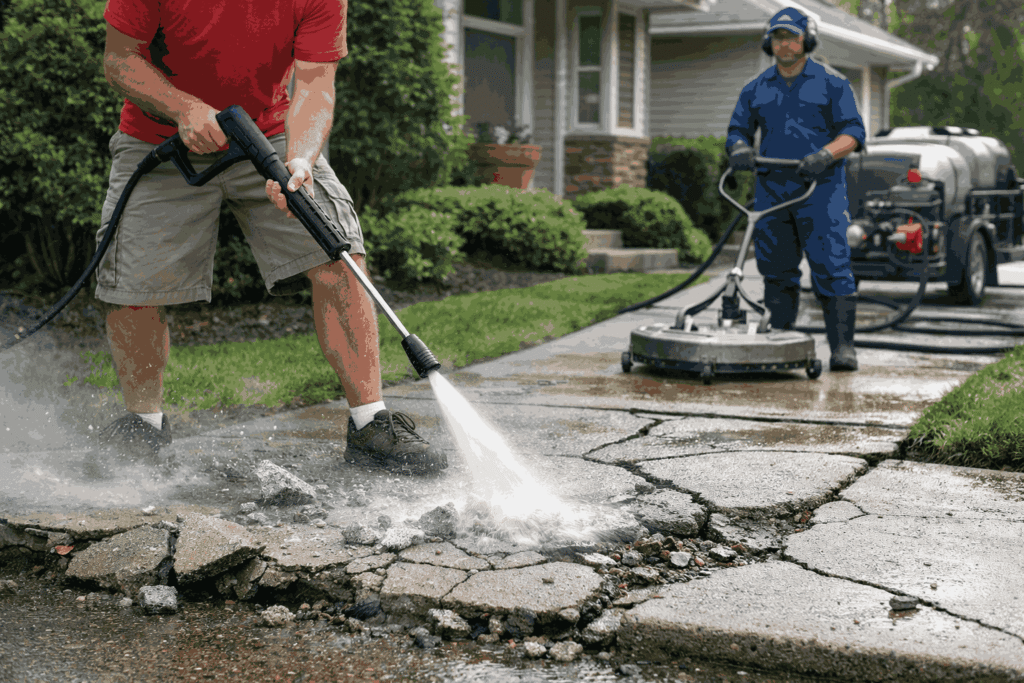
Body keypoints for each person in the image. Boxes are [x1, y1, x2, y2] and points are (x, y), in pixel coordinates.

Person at [94, 0, 447, 475]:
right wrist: (184, 108)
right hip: (158, 138)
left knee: (337, 252)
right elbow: (120, 58)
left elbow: (316, 85)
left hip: (269, 134)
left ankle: (370, 424)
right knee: (132, 284)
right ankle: (143, 427)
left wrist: (300, 159)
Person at [726, 7, 866, 371]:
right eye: (777, 37)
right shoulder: (755, 89)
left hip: (820, 191)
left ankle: (842, 349)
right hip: (771, 191)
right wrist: (739, 149)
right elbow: (738, 130)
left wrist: (825, 154)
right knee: (777, 270)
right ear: (768, 42)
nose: (784, 44)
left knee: (832, 267)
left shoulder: (833, 83)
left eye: (791, 37)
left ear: (808, 40)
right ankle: (780, 346)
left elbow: (853, 133)